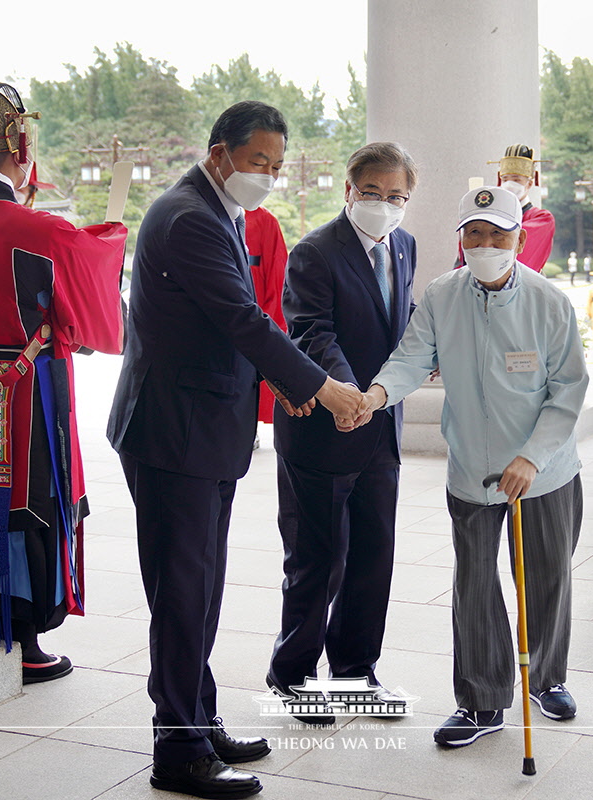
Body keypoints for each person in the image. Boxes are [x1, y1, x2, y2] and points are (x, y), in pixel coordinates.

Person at [105, 101, 363, 800]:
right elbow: (241, 317)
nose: (269, 177)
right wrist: (322, 387)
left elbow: (222, 328)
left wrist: (275, 383)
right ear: (219, 153)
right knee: (183, 592)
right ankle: (178, 754)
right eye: (259, 163)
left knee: (200, 588)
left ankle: (197, 718)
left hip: (200, 426)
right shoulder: (190, 217)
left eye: (277, 166)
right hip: (172, 433)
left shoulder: (216, 208)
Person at [350, 185, 587, 748]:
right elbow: (412, 357)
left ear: (518, 238)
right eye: (474, 234)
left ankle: (546, 678)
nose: (485, 244)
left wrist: (532, 457)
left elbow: (568, 391)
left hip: (544, 472)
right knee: (475, 586)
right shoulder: (441, 296)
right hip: (472, 474)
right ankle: (480, 701)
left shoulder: (549, 302)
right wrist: (376, 394)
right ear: (461, 240)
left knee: (547, 578)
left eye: (497, 233)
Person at [0, 82, 126, 685]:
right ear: (21, 142)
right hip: (26, 383)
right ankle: (28, 638)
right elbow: (89, 303)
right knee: (31, 497)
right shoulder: (36, 228)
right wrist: (113, 229)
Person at [267, 142, 418, 723]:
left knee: (373, 556)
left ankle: (355, 670)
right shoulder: (314, 253)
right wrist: (348, 395)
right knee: (318, 558)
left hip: (380, 429)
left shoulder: (402, 246)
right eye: (375, 193)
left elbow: (398, 328)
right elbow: (312, 334)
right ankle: (292, 674)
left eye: (397, 196)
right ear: (349, 190)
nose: (385, 205)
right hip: (324, 430)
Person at [244, 205, 289, 446]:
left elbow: (278, 277)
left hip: (255, 317)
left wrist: (269, 324)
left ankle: (249, 428)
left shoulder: (265, 222)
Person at [492, 143, 555, 272]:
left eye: (516, 180)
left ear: (529, 183)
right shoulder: (493, 215)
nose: (509, 185)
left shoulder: (542, 218)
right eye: (505, 179)